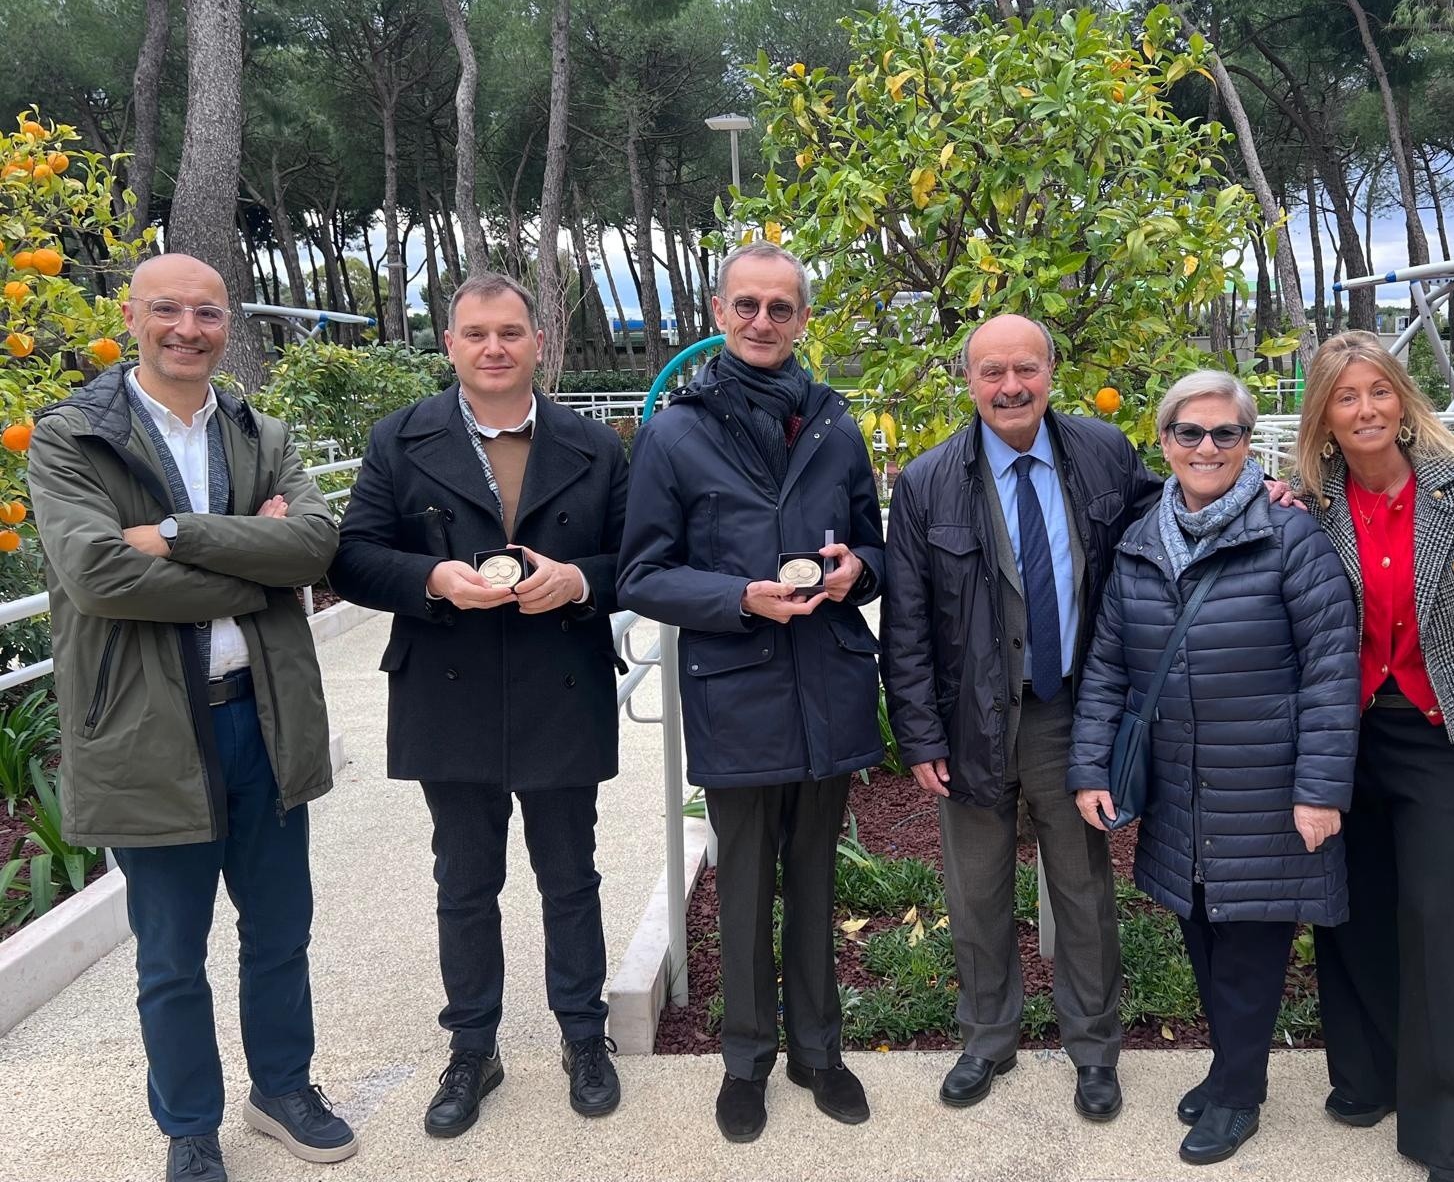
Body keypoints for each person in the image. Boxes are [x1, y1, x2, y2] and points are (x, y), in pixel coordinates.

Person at [27, 253, 355, 1182]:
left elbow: (314, 546)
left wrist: (174, 536)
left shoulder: (260, 432)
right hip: (146, 732)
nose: (187, 329)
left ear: (227, 322)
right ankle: (189, 1127)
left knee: (280, 931)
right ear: (130, 317)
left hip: (265, 719)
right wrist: (256, 572)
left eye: (207, 312)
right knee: (171, 954)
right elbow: (99, 575)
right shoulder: (72, 438)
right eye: (167, 309)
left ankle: (281, 1089)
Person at [329, 273, 629, 1137]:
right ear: (450, 344)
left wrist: (579, 581)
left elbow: (638, 558)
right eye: (475, 334)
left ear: (539, 341)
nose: (493, 348)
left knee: (570, 876)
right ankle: (472, 1048)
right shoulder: (399, 439)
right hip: (447, 686)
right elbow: (352, 557)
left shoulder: (595, 445)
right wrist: (432, 577)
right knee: (464, 882)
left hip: (560, 682)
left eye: (510, 332)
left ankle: (584, 1036)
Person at [617, 241, 885, 1144]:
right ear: (719, 312)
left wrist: (856, 570)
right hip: (736, 692)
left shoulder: (835, 425)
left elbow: (874, 549)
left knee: (814, 879)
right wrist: (739, 597)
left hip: (827, 688)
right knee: (741, 889)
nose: (763, 321)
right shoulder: (675, 433)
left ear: (802, 318)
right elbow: (643, 574)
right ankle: (745, 1060)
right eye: (747, 305)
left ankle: (818, 1051)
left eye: (780, 307)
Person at [1067, 370, 1361, 1165]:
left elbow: (1331, 672)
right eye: (1189, 433)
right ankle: (1232, 1066)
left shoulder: (1290, 539)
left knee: (1250, 947)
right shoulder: (1140, 543)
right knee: (1202, 932)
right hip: (1180, 788)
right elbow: (1108, 669)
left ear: (1246, 443)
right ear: (1164, 442)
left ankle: (1238, 1094)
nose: (1207, 447)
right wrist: (1091, 767)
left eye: (1224, 433)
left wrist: (1319, 790)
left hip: (1266, 786)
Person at [880, 313, 1163, 1118]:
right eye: (993, 372)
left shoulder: (1104, 453)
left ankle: (1094, 1049)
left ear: (1051, 372)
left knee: (1083, 888)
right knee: (976, 892)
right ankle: (987, 1039)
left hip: (1071, 714)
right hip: (970, 719)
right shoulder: (928, 482)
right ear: (969, 381)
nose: (1011, 387)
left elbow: (1173, 514)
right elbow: (906, 623)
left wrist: (1261, 492)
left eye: (1026, 369)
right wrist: (919, 734)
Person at [1294, 331, 1454, 1182]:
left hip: (1446, 732)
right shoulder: (1307, 500)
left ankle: (1450, 1133)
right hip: (1346, 732)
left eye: (1379, 392)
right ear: (1324, 415)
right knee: (1351, 908)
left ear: (1402, 400)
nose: (1365, 410)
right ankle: (1369, 1078)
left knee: (1433, 916)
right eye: (1346, 396)